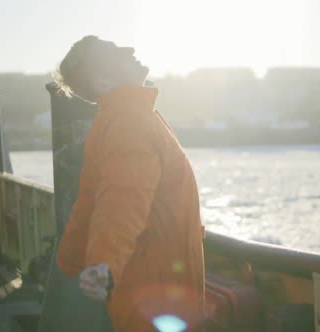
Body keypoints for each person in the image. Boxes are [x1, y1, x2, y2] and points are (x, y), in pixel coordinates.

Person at [54, 36, 206, 332]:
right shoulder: (129, 120)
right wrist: (103, 264)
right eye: (114, 53)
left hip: (148, 287)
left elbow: (89, 202)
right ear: (101, 82)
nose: (130, 50)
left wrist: (75, 258)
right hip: (158, 295)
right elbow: (122, 200)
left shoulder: (122, 117)